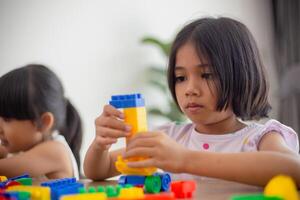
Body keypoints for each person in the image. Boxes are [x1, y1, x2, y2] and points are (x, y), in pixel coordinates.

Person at [84, 17, 300, 187]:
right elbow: (99, 171)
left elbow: (294, 170)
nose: (190, 90)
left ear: (241, 75)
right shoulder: (171, 138)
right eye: (181, 78)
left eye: (206, 75)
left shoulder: (261, 138)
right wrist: (100, 145)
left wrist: (185, 160)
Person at [0, 64, 82, 179]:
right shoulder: (25, 150)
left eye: (6, 119)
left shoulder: (54, 151)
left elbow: (3, 169)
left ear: (43, 123)